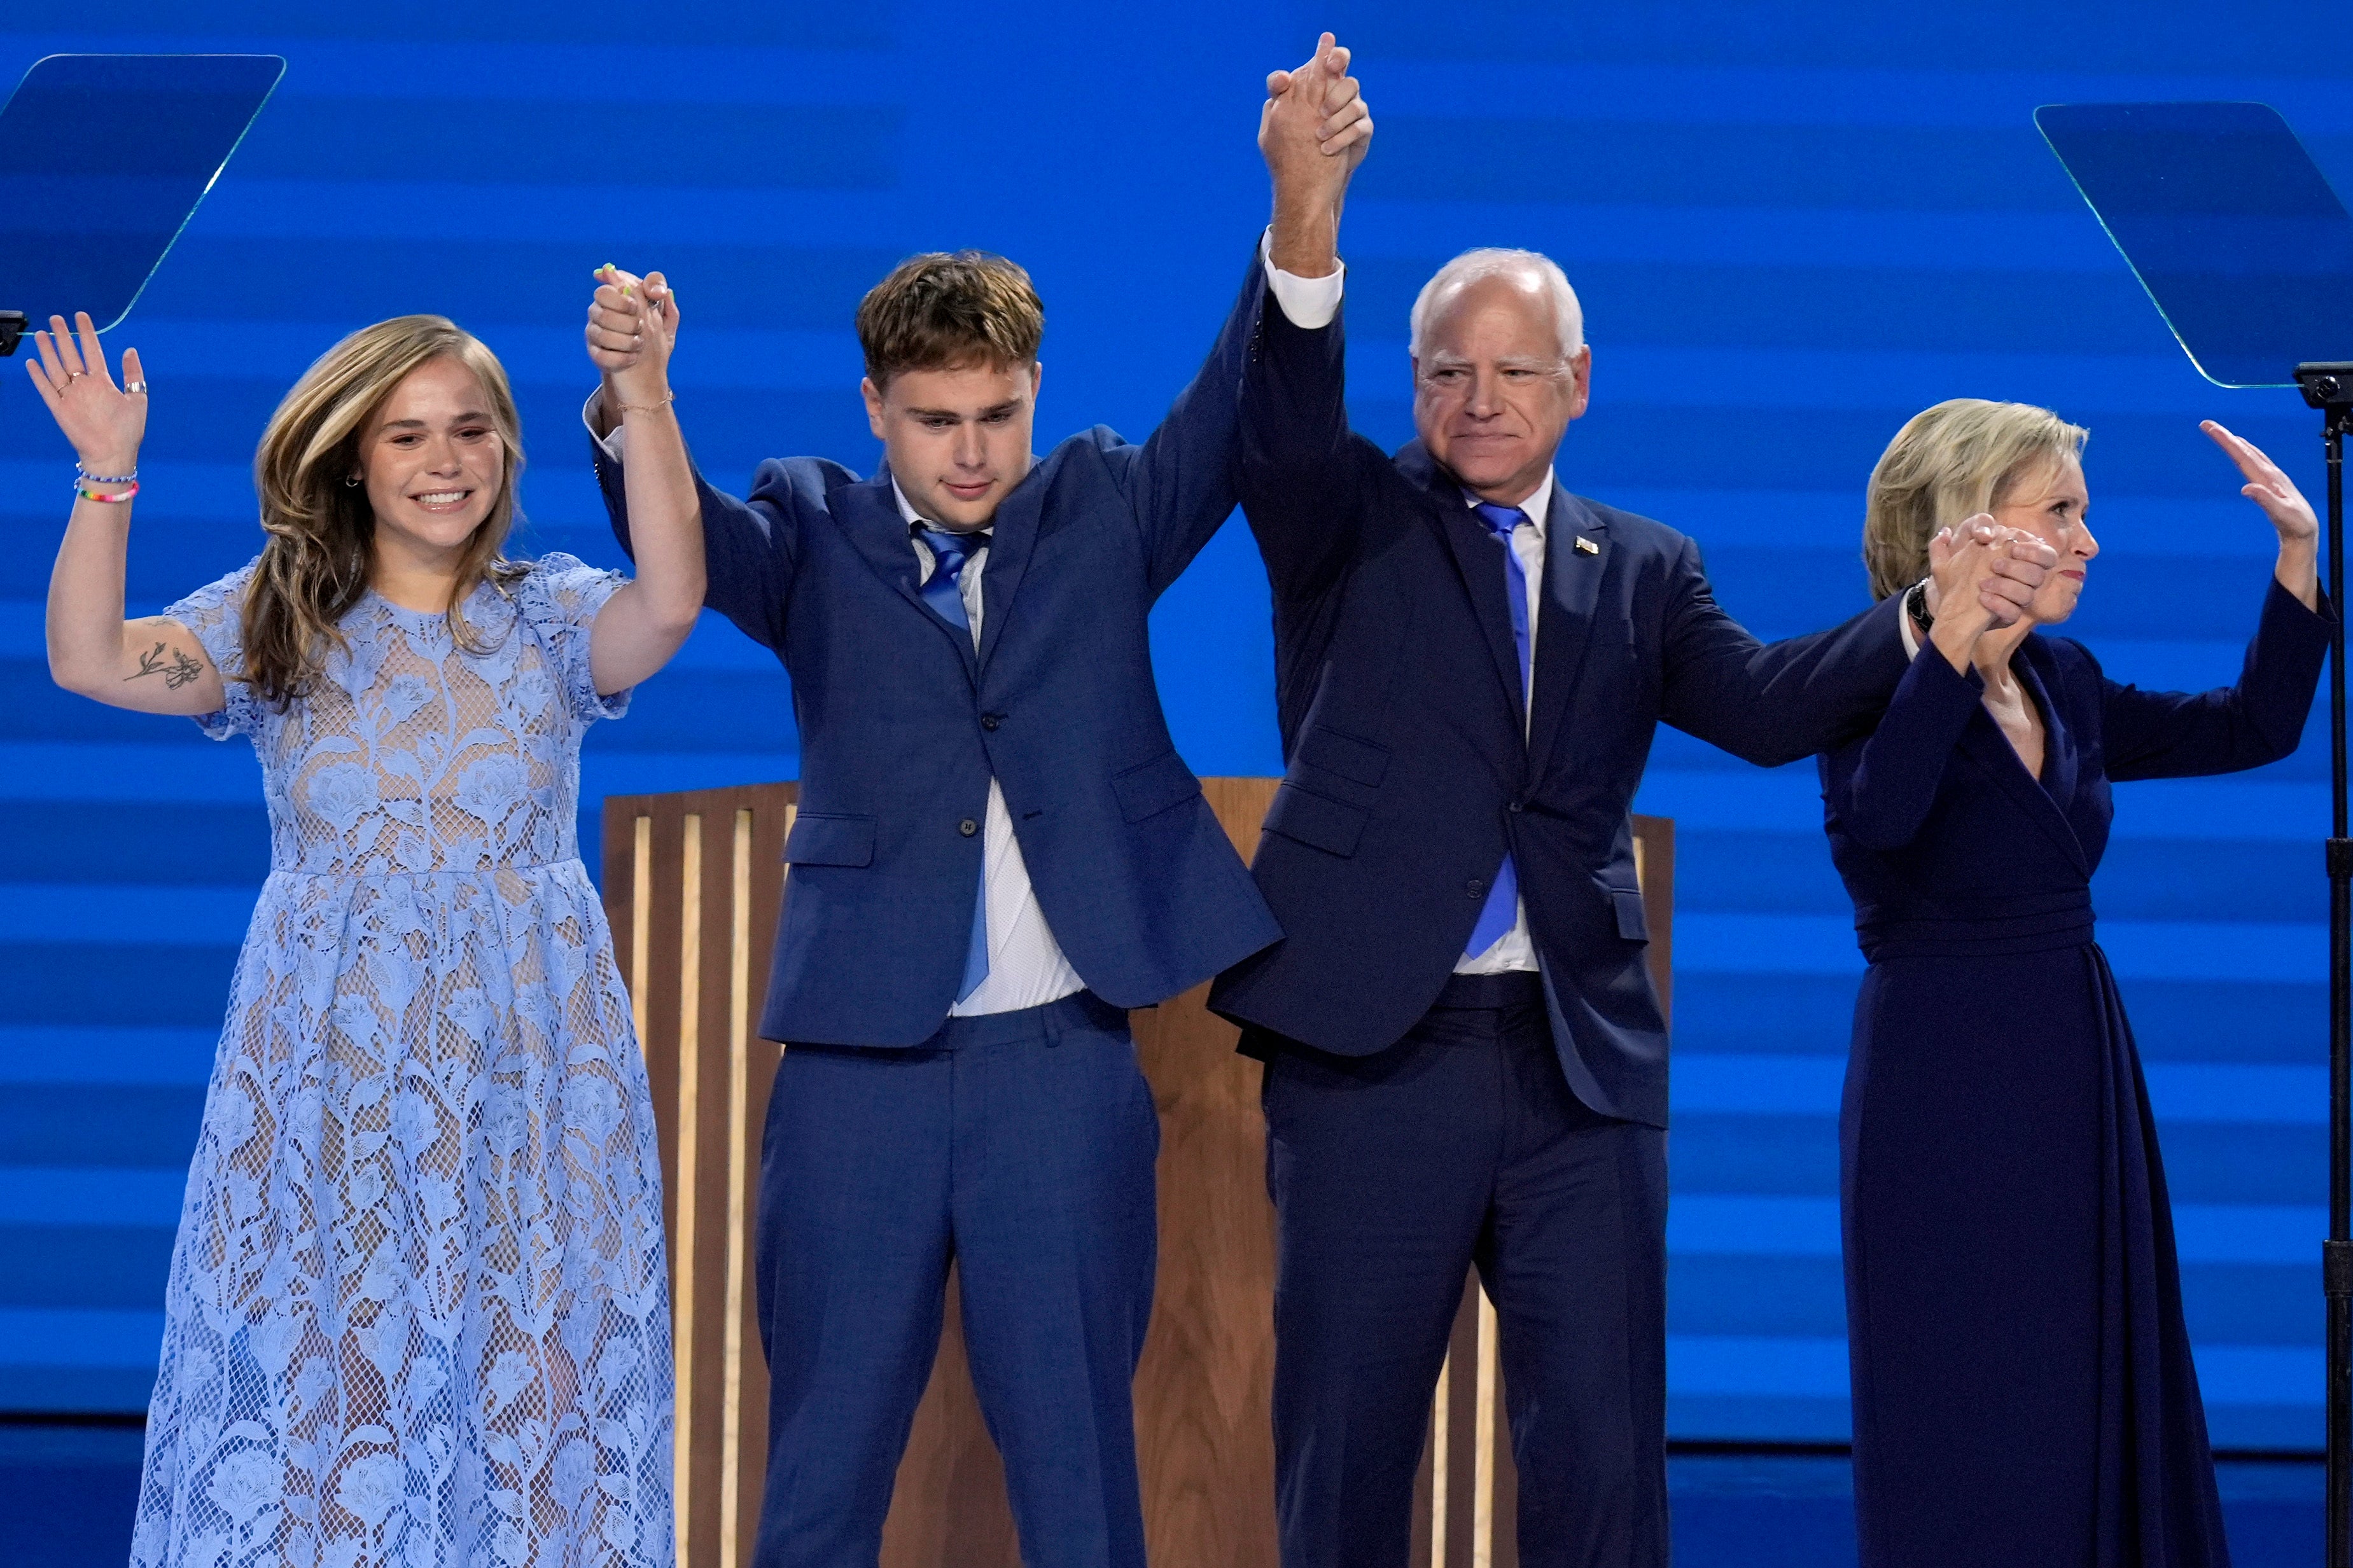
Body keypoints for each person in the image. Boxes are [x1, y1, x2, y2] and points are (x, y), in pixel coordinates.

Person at [580, 39, 1374, 1568]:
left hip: (1060, 1075)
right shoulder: (805, 529)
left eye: (997, 415)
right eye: (936, 420)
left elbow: (1235, 399)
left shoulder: (1101, 505)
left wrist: (1298, 213)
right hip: (855, 1075)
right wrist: (636, 396)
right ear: (873, 406)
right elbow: (673, 539)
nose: (970, 453)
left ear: (1032, 400)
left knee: (1080, 1475)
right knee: (819, 1468)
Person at [1205, 235, 2055, 1564]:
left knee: (1601, 1461)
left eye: (1514, 371)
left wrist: (1916, 622)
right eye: (1446, 372)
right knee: (1349, 1448)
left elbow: (1768, 709)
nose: (1479, 399)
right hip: (1373, 1059)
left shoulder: (1645, 564)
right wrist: (1304, 225)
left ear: (1578, 382)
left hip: (1578, 1072)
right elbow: (1284, 419)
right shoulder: (1343, 518)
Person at [29, 293, 704, 1568]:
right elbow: (91, 662)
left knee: (539, 1383)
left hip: (530, 1075)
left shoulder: (553, 619)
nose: (442, 462)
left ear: (507, 449)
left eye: (469, 431)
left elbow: (670, 605)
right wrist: (105, 472)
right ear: (353, 456)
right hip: (337, 1071)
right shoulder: (276, 623)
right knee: (340, 1383)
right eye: (406, 436)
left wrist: (647, 394)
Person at [1822, 401, 2327, 1568]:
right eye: (2059, 512)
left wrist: (2296, 557)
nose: (2087, 541)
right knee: (1960, 1387)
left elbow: (2251, 725)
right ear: (1967, 524)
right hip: (1937, 1086)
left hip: (2071, 1066)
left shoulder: (2063, 675)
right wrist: (1947, 649)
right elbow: (1880, 819)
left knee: (2078, 1374)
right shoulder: (1865, 680)